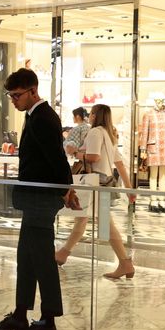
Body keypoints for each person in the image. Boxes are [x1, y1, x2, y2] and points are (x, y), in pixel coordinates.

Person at [0, 68, 79, 330]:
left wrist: (66, 190)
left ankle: (48, 320)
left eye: (16, 95)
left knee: (41, 260)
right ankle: (20, 313)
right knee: (26, 258)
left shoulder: (43, 118)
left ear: (32, 91)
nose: (13, 101)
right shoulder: (35, 116)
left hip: (41, 199)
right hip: (35, 197)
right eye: (10, 96)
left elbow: (56, 159)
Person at [55, 105, 135, 277]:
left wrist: (75, 152)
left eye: (91, 113)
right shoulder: (109, 134)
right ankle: (62, 254)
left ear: (94, 116)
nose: (89, 116)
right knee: (84, 219)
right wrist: (129, 188)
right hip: (104, 182)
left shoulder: (95, 132)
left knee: (103, 223)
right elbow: (119, 164)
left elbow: (94, 157)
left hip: (94, 182)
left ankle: (125, 263)